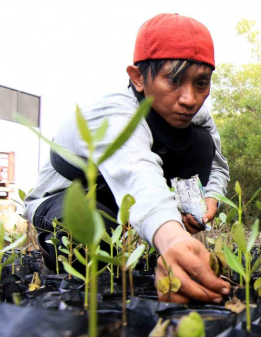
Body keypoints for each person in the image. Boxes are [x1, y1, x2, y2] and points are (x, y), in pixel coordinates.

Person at [23, 13, 230, 304]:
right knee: (91, 243)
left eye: (201, 83)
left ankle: (174, 236)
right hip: (68, 199)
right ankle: (60, 256)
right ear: (137, 78)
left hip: (125, 205)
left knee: (200, 143)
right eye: (173, 80)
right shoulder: (115, 114)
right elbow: (136, 173)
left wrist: (210, 196)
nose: (189, 99)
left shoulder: (197, 115)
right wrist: (173, 240)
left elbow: (218, 163)